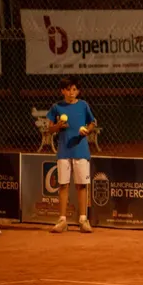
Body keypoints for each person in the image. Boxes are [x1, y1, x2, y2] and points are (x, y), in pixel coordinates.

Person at [46, 76, 97, 233]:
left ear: (78, 91)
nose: (71, 92)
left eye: (74, 89)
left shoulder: (83, 105)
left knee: (81, 185)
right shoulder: (56, 107)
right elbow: (49, 129)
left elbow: (93, 122)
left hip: (81, 150)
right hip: (64, 151)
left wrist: (87, 130)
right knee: (63, 185)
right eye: (68, 89)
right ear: (62, 91)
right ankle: (62, 221)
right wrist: (58, 126)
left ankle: (83, 220)